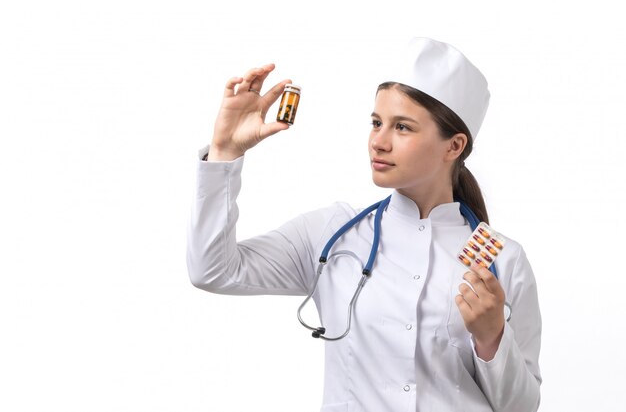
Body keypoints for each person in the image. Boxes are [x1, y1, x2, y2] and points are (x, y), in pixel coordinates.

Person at [186, 37, 542, 412]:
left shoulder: (503, 261)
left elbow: (521, 407)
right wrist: (224, 151)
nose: (379, 142)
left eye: (402, 128)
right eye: (376, 123)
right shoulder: (332, 234)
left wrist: (492, 339)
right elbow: (212, 270)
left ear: (453, 147)